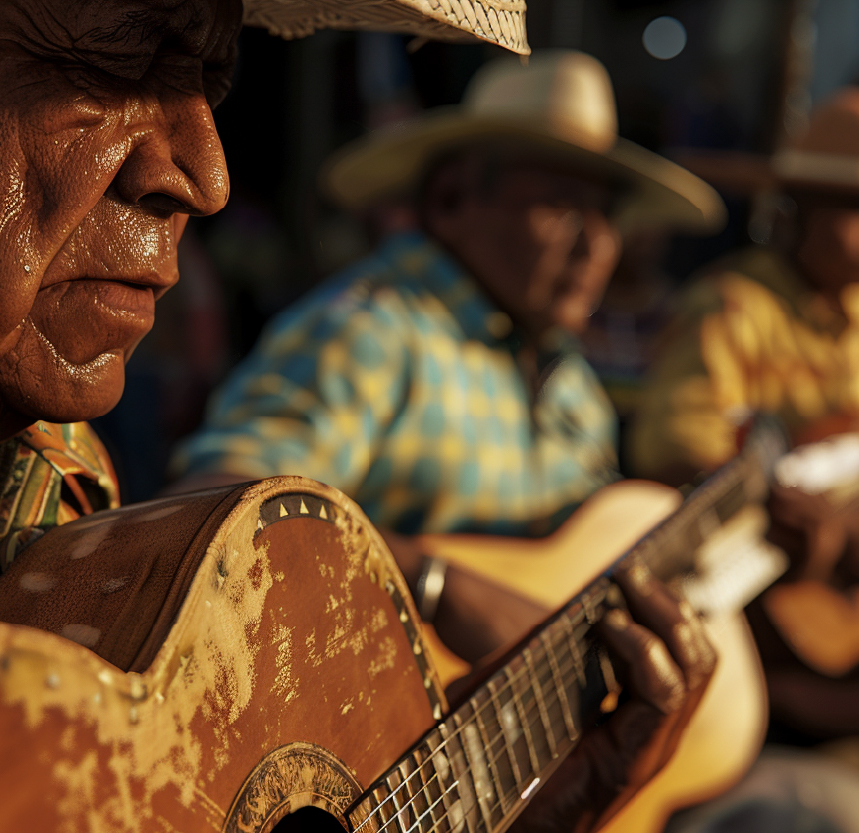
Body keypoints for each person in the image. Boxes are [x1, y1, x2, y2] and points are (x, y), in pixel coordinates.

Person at [0, 5, 710, 831]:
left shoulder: (50, 448)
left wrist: (521, 804)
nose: (204, 174)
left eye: (211, 79)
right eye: (110, 58)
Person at [170, 50, 725, 660]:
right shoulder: (371, 333)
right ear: (451, 200)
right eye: (562, 206)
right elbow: (213, 504)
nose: (595, 243)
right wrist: (441, 591)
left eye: (608, 214)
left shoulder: (571, 381)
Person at [631, 87, 859, 833]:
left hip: (854, 596)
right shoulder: (731, 311)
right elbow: (672, 454)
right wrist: (782, 503)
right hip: (761, 621)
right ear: (797, 213)